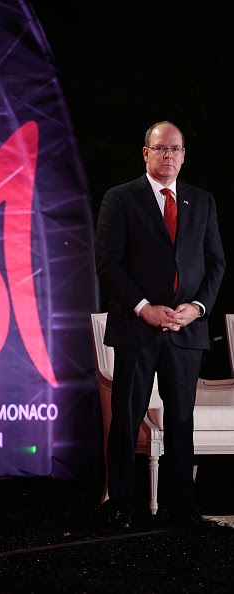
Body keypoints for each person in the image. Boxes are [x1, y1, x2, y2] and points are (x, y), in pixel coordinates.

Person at [94, 120, 226, 529]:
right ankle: (121, 506)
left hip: (186, 329)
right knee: (127, 415)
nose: (168, 155)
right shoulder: (120, 199)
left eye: (175, 149)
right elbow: (108, 264)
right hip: (138, 327)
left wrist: (198, 307)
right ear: (146, 153)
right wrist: (143, 307)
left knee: (181, 420)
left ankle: (182, 509)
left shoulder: (201, 202)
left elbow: (216, 263)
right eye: (161, 148)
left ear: (184, 156)